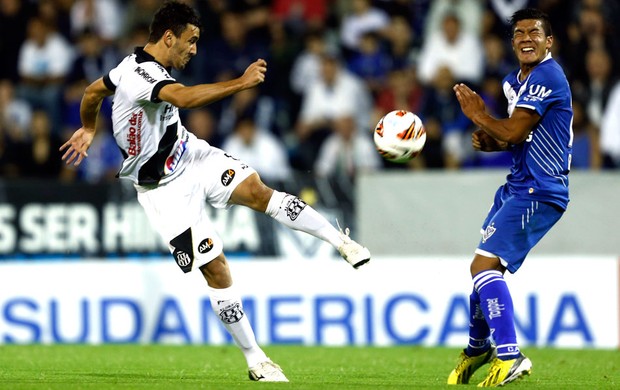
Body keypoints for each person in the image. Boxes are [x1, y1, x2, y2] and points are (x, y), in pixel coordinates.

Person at [59, 1, 370, 383]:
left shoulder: (125, 66)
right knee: (216, 268)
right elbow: (185, 99)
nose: (193, 49)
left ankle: (339, 241)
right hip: (162, 190)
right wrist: (240, 83)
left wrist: (89, 128)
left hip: (191, 156)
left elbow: (92, 93)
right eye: (190, 41)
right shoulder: (141, 74)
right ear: (169, 37)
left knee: (257, 191)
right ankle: (257, 360)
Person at [448, 8, 573, 387]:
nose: (526, 39)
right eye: (519, 33)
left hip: (540, 188)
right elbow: (515, 136)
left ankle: (509, 354)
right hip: (518, 185)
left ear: (548, 41)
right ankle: (477, 348)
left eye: (534, 33)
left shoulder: (547, 76)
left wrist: (479, 116)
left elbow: (515, 131)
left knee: (483, 268)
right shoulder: (515, 81)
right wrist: (492, 140)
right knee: (483, 270)